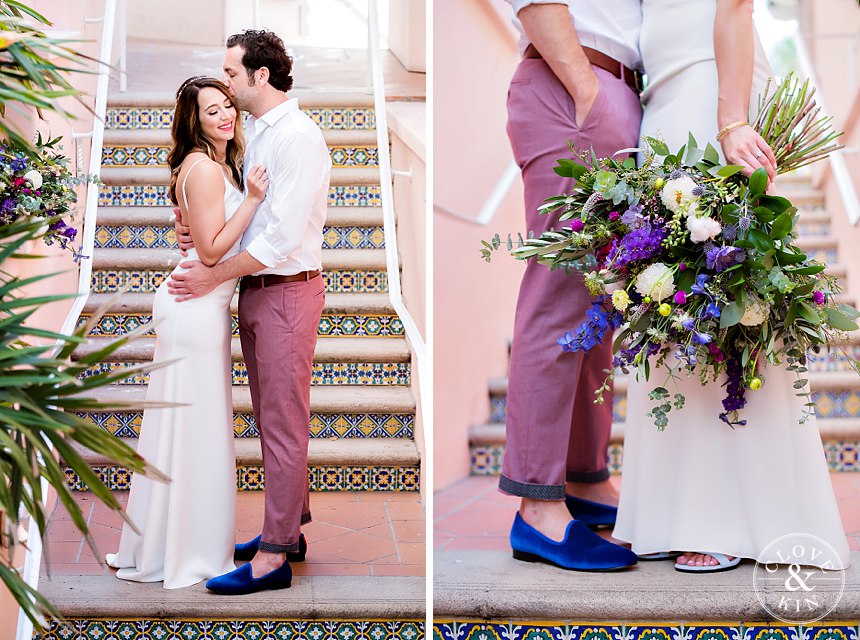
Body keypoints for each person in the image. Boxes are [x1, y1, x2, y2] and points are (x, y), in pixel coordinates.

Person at [613, 0, 851, 573]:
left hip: (712, 86)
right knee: (674, 307)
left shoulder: (721, 104)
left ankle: (729, 518)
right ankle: (672, 512)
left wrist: (731, 118)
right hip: (666, 97)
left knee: (728, 302)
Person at [167, 30, 331, 595]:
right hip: (259, 290)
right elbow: (237, 209)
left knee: (283, 422)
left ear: (261, 76)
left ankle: (275, 555)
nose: (226, 85)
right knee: (273, 417)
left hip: (286, 288)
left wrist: (213, 273)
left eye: (232, 74)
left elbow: (282, 238)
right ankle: (291, 527)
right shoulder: (255, 130)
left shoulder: (298, 139)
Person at [106, 76, 270, 589]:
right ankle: (191, 553)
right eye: (212, 111)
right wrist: (255, 200)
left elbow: (202, 235)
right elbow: (210, 253)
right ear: (194, 121)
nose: (225, 116)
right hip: (194, 306)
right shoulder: (202, 169)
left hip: (201, 305)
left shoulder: (216, 163)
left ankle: (168, 544)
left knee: (187, 433)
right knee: (196, 433)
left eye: (227, 106)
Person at [500, 0, 642, 571]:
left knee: (599, 305)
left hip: (604, 91)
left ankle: (585, 478)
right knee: (558, 296)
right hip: (572, 87)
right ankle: (537, 506)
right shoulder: (582, 88)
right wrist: (588, 93)